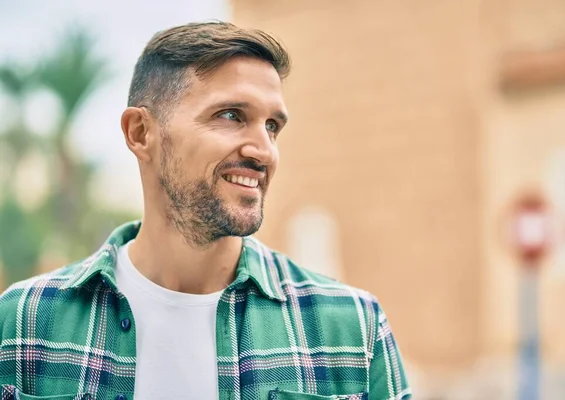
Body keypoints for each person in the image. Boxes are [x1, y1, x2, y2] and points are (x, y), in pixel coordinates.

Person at [0, 21, 411, 400]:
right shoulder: (23, 324)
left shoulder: (354, 331)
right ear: (141, 133)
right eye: (231, 116)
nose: (264, 150)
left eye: (272, 125)